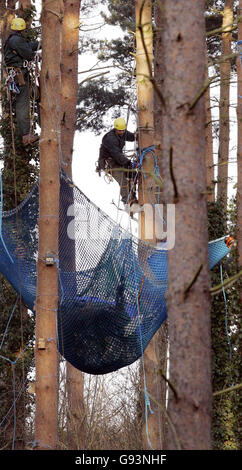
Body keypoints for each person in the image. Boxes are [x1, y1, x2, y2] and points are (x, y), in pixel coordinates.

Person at [4, 17, 40, 146]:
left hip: (20, 75)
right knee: (22, 104)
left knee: (37, 95)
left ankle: (44, 124)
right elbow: (28, 54)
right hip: (19, 76)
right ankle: (26, 135)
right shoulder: (17, 40)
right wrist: (37, 53)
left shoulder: (12, 40)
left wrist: (39, 43)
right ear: (23, 30)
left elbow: (26, 47)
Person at [97, 117, 142, 213]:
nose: (121, 132)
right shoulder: (110, 138)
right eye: (119, 130)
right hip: (109, 163)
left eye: (123, 130)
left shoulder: (123, 133)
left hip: (118, 161)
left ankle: (134, 199)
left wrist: (139, 134)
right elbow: (116, 154)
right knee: (123, 181)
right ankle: (128, 205)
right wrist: (128, 163)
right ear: (115, 129)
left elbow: (132, 137)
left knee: (133, 175)